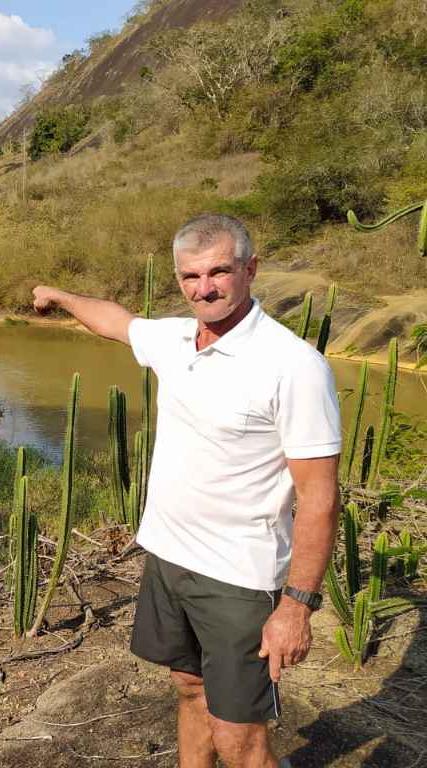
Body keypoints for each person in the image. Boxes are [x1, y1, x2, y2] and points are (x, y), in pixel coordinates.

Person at [32, 214, 341, 768]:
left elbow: (318, 497)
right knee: (188, 687)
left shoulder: (293, 367)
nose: (205, 288)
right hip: (169, 558)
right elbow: (116, 321)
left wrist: (297, 606)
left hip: (239, 578)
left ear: (251, 269)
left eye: (219, 271)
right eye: (190, 276)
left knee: (239, 738)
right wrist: (58, 295)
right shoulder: (175, 339)